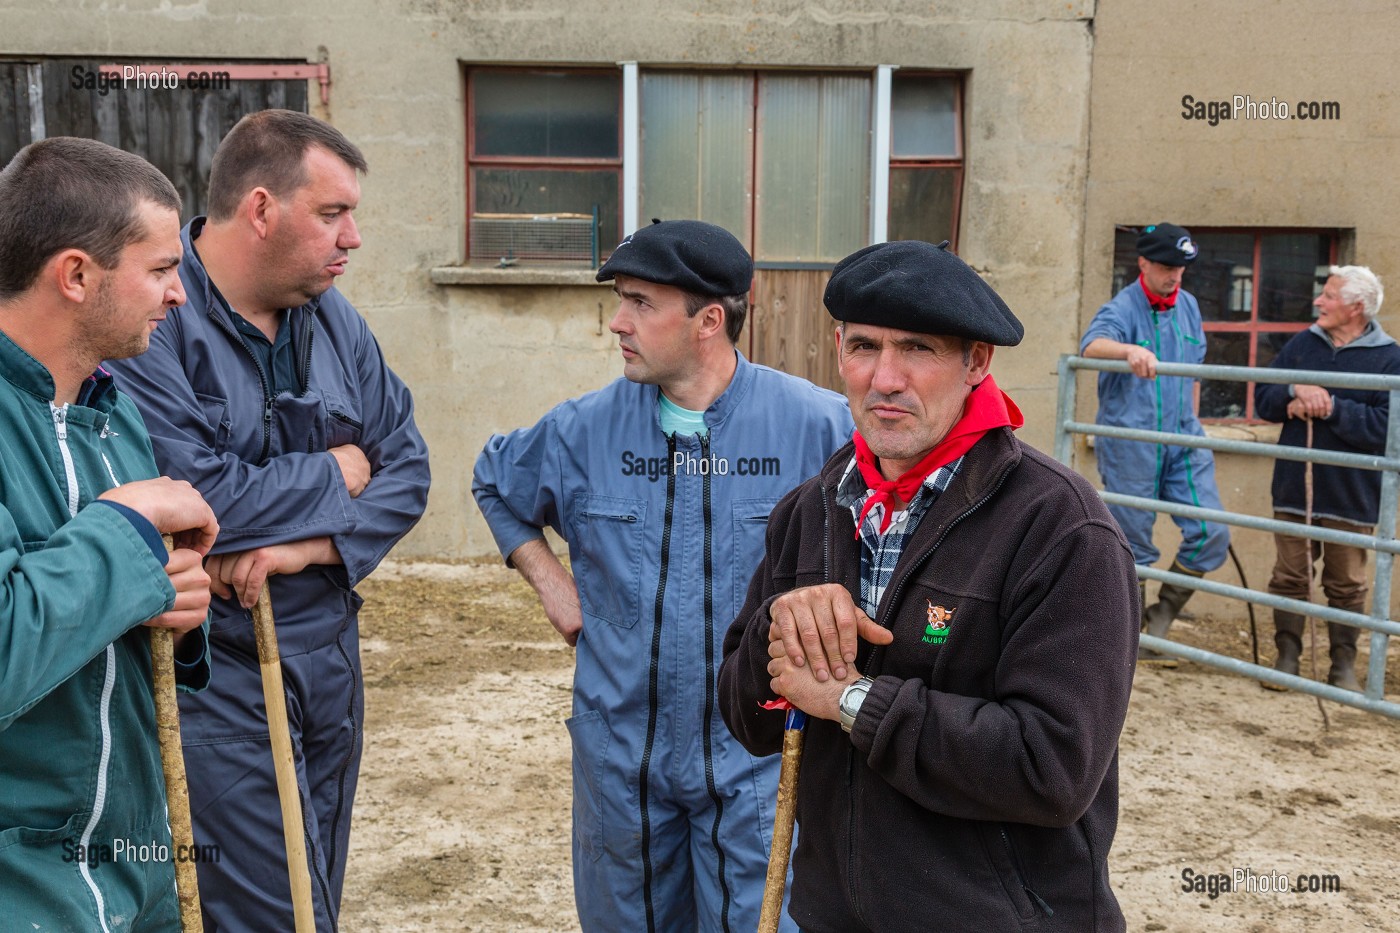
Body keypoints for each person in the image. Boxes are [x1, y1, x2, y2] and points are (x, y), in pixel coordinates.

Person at [719, 240, 1139, 932]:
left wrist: (852, 698)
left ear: (977, 362)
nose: (884, 378)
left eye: (917, 349)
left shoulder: (1062, 529)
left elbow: (1053, 764)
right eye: (863, 347)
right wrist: (776, 630)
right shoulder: (810, 509)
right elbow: (750, 720)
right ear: (838, 350)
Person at [473, 219, 852, 933]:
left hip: (758, 764)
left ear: (709, 319)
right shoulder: (582, 430)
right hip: (621, 766)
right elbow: (495, 481)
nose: (619, 322)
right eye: (621, 299)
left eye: (642, 303)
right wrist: (553, 583)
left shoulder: (817, 428)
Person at [104, 110, 431, 931]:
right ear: (259, 209)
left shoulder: (335, 319)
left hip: (329, 658)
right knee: (268, 908)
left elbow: (409, 467)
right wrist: (334, 470)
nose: (352, 237)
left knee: (317, 886)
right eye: (332, 214)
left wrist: (307, 544)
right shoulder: (155, 320)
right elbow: (201, 496)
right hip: (220, 665)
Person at [0, 137, 220, 930]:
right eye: (161, 270)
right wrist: (126, 532)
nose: (180, 296)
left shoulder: (112, 414)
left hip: (133, 871)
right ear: (76, 274)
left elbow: (115, 613)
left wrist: (172, 599)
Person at [1080, 223, 1230, 661]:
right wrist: (1128, 351)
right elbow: (1092, 346)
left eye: (1181, 268)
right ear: (1143, 263)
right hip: (1133, 439)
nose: (1175, 276)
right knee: (1134, 543)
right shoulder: (1123, 306)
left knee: (1210, 531)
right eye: (1167, 267)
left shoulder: (1189, 306)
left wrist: (1194, 420)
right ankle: (1136, 634)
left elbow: (1195, 368)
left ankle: (1164, 611)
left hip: (1183, 435)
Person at [1254, 265, 1400, 692]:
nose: (1319, 302)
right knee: (1289, 576)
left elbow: (1388, 430)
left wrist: (1331, 407)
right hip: (1294, 484)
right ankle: (1286, 660)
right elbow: (1264, 397)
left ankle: (1342, 667)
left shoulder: (1390, 358)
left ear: (1356, 308)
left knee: (1347, 582)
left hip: (1352, 492)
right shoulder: (1304, 344)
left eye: (1330, 296)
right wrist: (1293, 393)